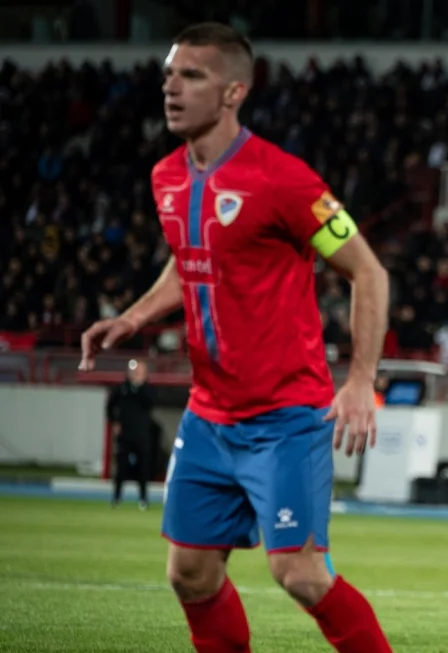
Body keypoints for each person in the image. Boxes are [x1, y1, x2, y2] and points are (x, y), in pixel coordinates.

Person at [78, 23, 392, 653]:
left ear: (233, 92)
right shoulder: (166, 176)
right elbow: (190, 257)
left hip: (285, 417)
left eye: (191, 75)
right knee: (189, 573)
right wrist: (135, 317)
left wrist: (359, 382)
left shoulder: (284, 180)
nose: (171, 87)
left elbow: (367, 271)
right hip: (209, 415)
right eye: (169, 73)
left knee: (299, 573)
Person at [108, 358, 157, 510]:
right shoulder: (122, 388)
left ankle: (143, 499)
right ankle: (116, 498)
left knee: (143, 468)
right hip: (125, 435)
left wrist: (139, 385)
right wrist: (114, 421)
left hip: (142, 434)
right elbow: (110, 406)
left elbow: (150, 403)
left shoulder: (148, 389)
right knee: (121, 468)